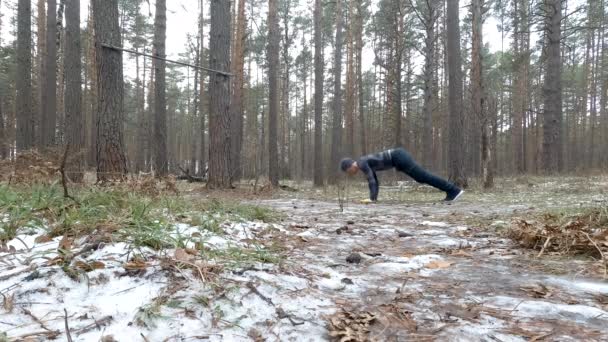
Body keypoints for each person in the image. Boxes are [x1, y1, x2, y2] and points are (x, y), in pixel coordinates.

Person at [340, 148, 464, 203]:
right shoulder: (363, 162)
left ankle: (453, 190)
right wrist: (373, 198)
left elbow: (371, 180)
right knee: (421, 178)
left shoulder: (361, 163)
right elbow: (375, 181)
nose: (350, 174)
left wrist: (372, 199)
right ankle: (451, 190)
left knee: (423, 176)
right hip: (398, 158)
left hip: (398, 157)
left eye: (348, 172)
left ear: (350, 166)